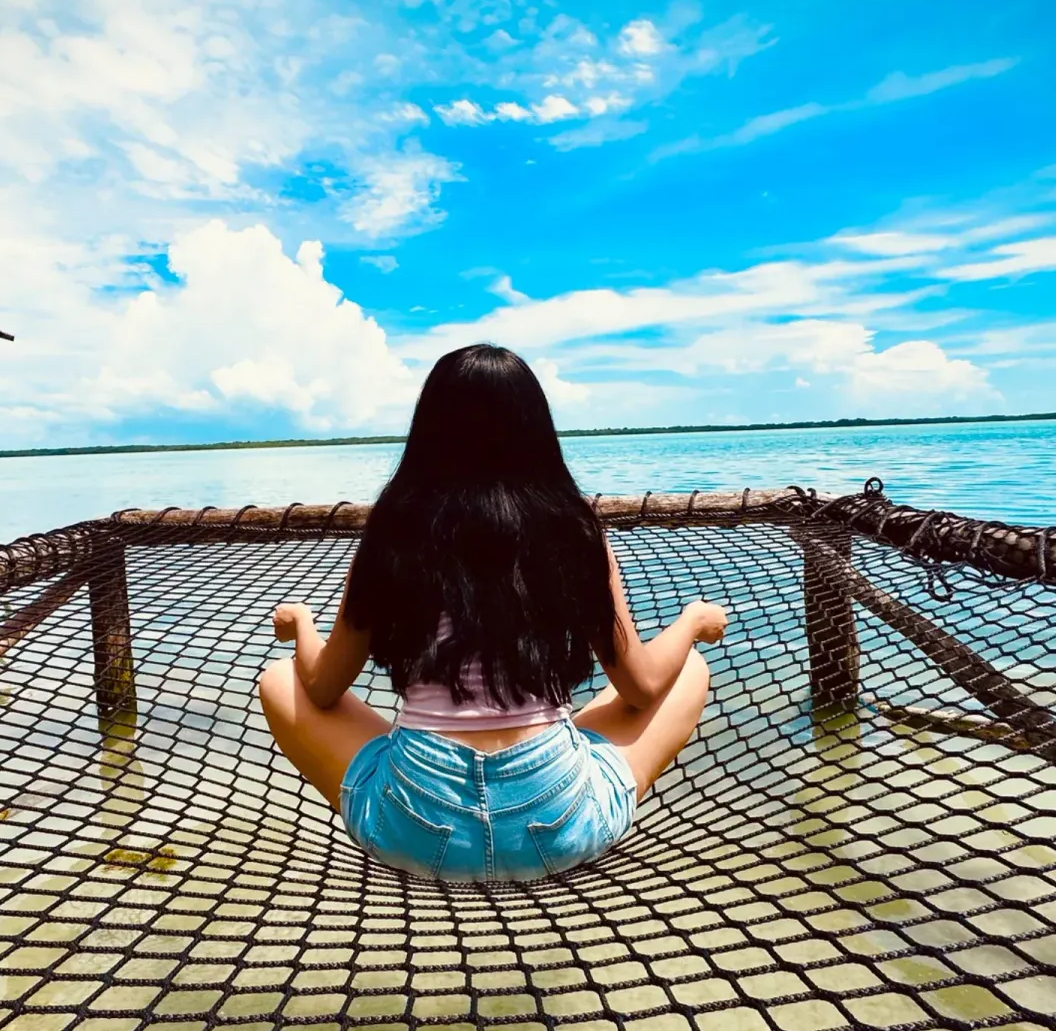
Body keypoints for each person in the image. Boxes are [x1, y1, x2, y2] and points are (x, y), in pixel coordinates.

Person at [257, 344, 728, 882]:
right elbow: (642, 687)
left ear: (428, 428)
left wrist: (300, 625)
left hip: (415, 831)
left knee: (279, 680)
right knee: (687, 668)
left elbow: (320, 689)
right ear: (536, 430)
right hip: (561, 827)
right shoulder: (572, 529)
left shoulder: (394, 532)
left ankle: (428, 804)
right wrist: (691, 622)